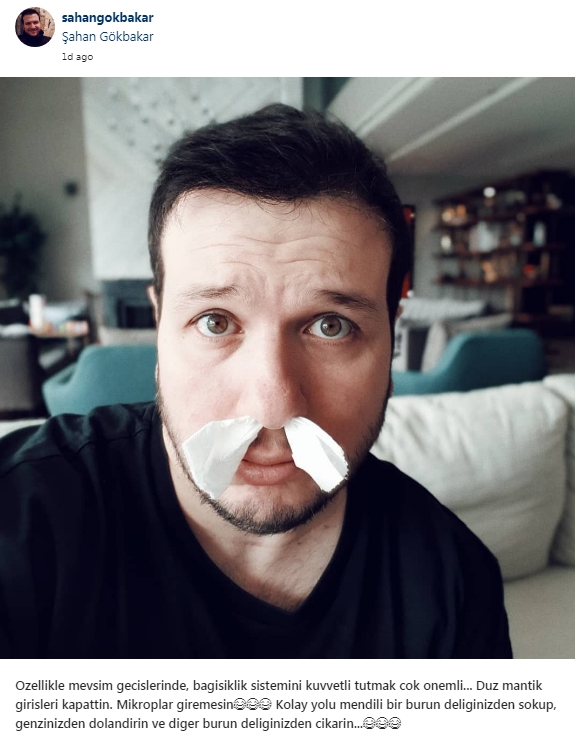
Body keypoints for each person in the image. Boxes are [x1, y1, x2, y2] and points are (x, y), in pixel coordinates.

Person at [0, 104, 512, 658]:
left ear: (392, 336)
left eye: (331, 326)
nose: (273, 407)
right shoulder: (24, 519)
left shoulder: (453, 581)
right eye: (215, 322)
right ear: (159, 322)